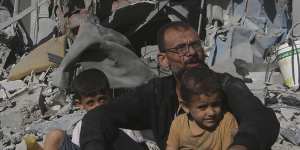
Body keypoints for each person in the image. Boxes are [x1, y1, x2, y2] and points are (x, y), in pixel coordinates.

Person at [80, 21, 279, 150]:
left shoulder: (224, 84)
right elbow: (98, 116)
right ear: (163, 60)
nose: (191, 52)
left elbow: (261, 117)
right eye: (181, 48)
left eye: (195, 45)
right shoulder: (156, 92)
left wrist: (242, 146)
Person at [43, 69, 157, 150]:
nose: (98, 107)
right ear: (80, 105)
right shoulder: (81, 127)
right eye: (90, 103)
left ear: (110, 96)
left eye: (102, 100)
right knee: (54, 136)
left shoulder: (122, 120)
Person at [166, 67, 238, 150]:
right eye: (202, 107)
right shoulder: (179, 124)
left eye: (215, 104)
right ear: (186, 107)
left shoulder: (226, 121)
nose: (211, 112)